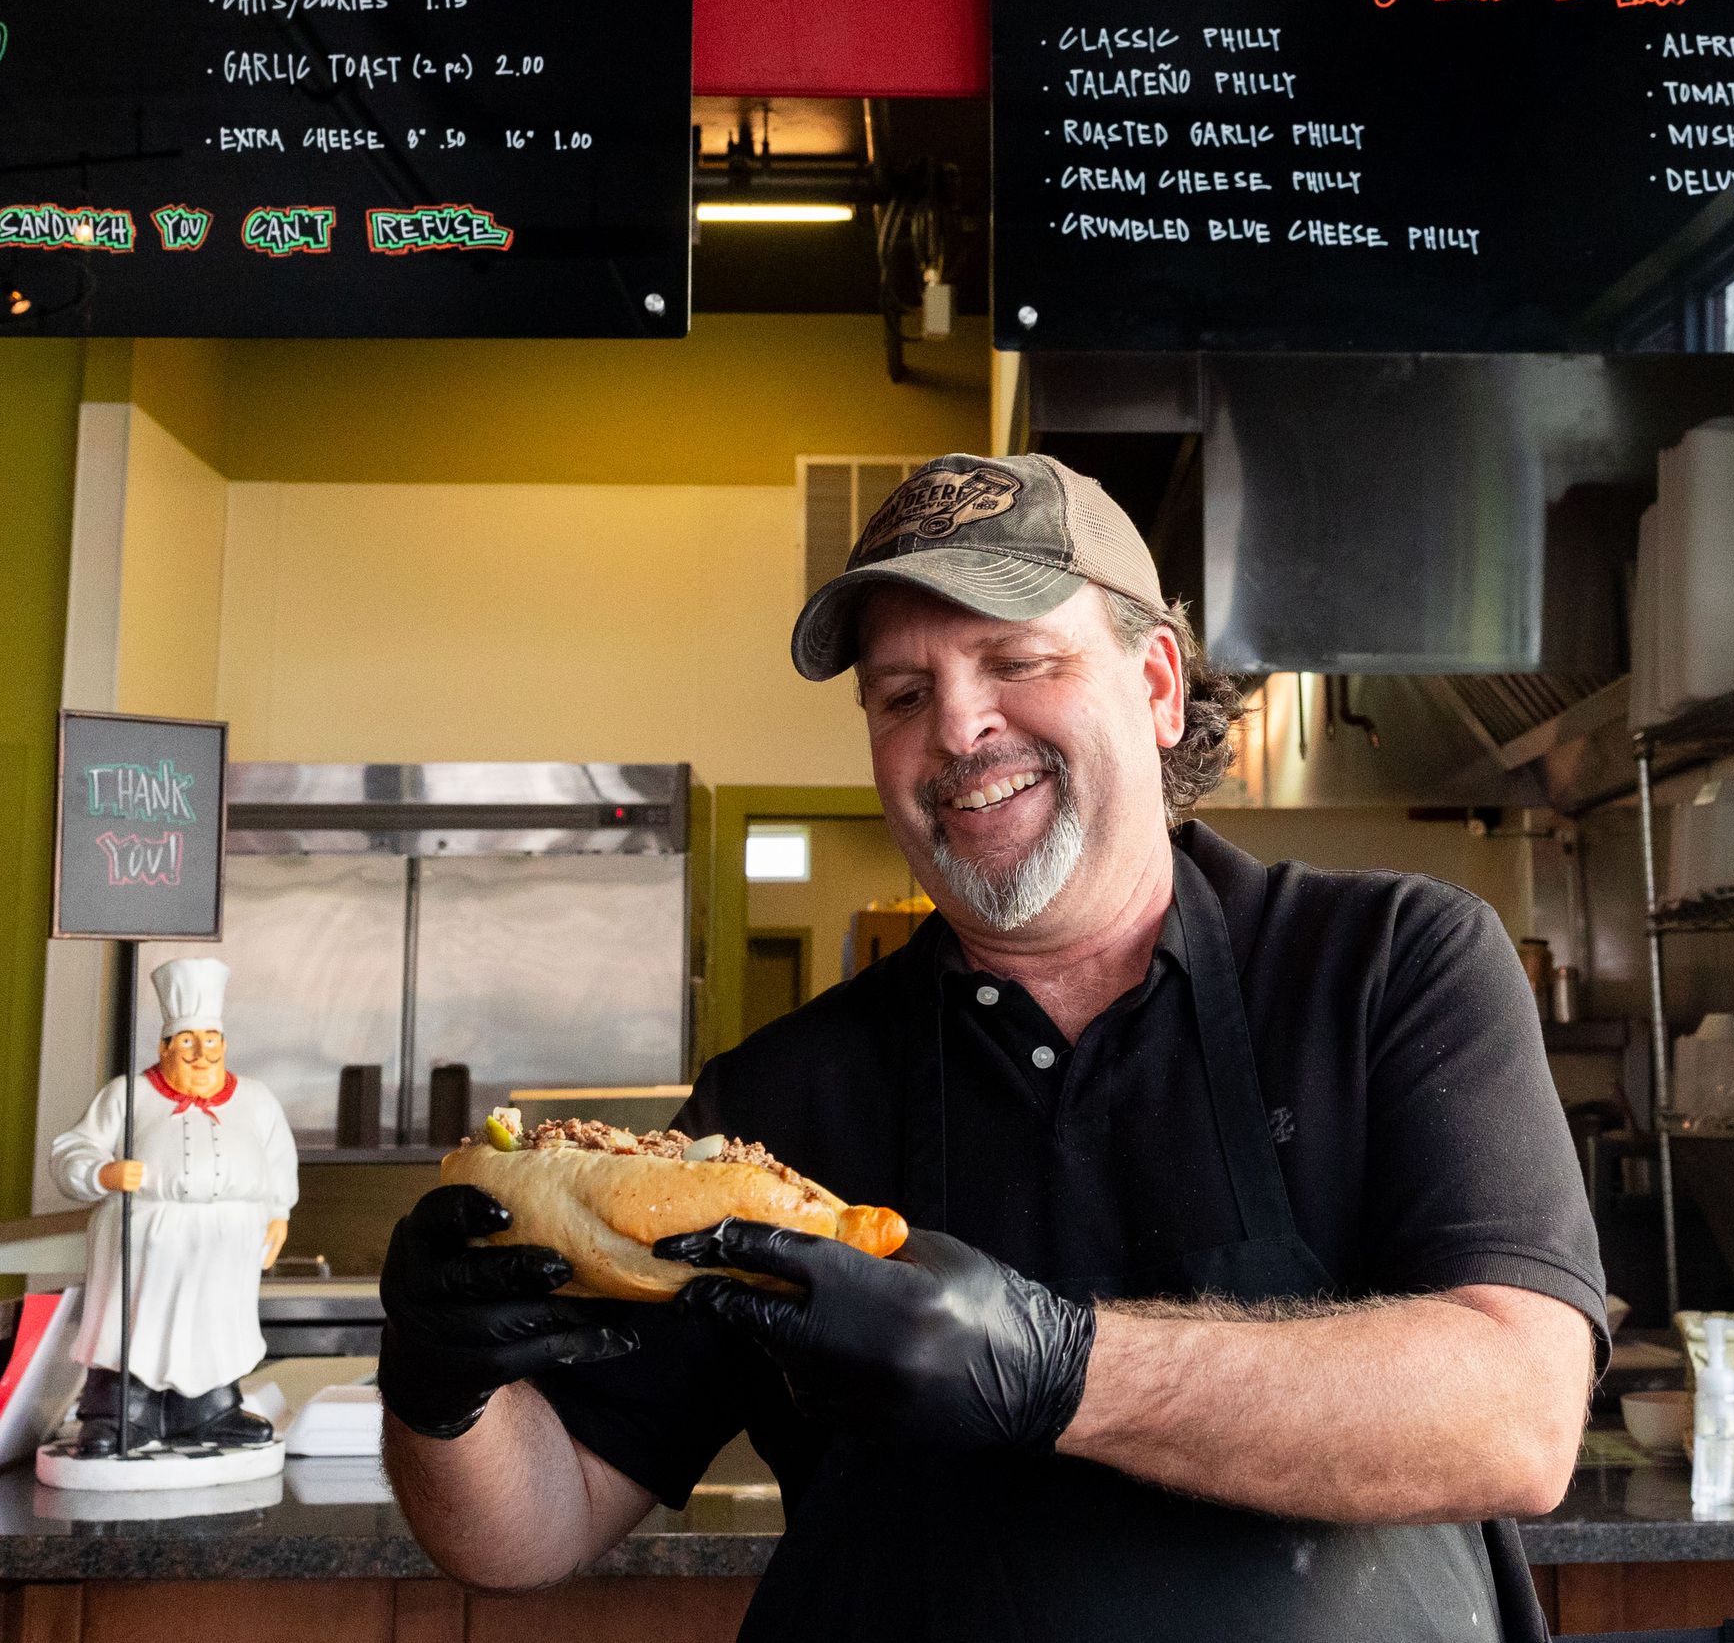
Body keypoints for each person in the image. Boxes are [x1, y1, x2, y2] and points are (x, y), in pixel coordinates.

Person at [382, 452, 1604, 1639]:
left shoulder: (1386, 964)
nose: (958, 727)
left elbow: (1522, 1411)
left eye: (1016, 660)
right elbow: (531, 1530)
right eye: (901, 695)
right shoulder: (783, 1095)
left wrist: (1055, 1368)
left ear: (1159, 684)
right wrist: (437, 1393)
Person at [50, 955, 296, 1457]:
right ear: (165, 1046)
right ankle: (119, 1415)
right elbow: (71, 1150)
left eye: (211, 1041)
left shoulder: (258, 1099)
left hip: (228, 1243)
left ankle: (210, 1410)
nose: (202, 1053)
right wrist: (104, 1172)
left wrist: (278, 1215)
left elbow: (279, 1161)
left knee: (215, 1326)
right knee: (135, 1325)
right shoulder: (126, 1095)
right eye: (187, 1041)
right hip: (147, 1240)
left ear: (225, 1044)